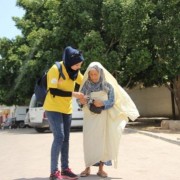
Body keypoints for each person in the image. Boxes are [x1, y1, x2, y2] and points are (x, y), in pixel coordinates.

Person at [78, 62, 139, 178]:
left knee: (103, 142)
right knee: (89, 142)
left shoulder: (107, 85)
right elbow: (80, 100)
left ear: (100, 73)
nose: (94, 77)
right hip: (90, 118)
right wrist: (82, 101)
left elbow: (112, 101)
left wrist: (102, 103)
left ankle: (101, 169)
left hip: (103, 118)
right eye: (91, 74)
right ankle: (87, 168)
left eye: (95, 74)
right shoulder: (86, 85)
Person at [43, 46, 85, 180]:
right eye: (77, 65)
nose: (79, 67)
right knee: (59, 137)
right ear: (69, 62)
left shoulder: (75, 73)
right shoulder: (55, 69)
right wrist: (74, 94)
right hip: (53, 107)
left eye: (80, 65)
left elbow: (85, 81)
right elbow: (53, 90)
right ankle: (54, 172)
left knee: (66, 139)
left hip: (66, 109)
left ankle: (65, 169)